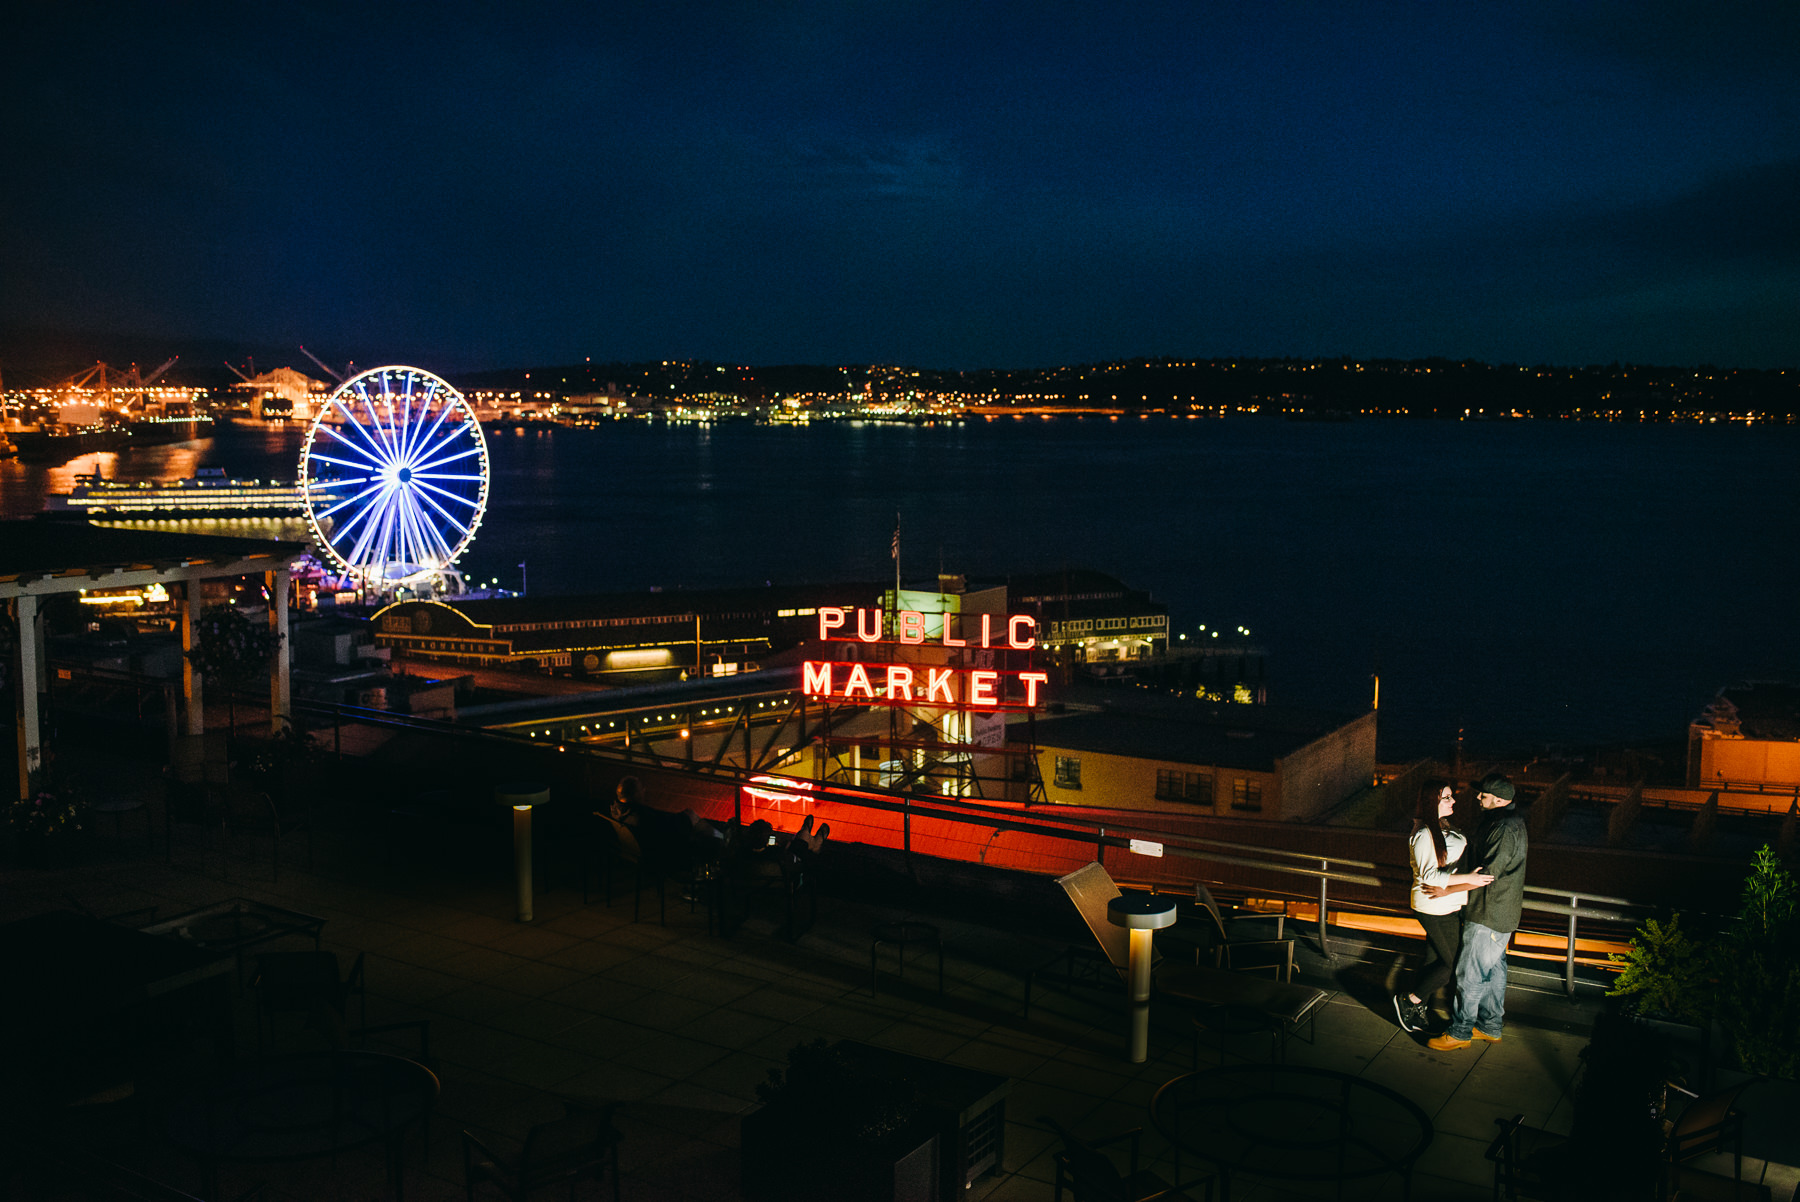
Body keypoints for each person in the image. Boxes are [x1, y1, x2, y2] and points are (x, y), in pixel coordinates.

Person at [1429, 773, 1528, 1051]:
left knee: (1470, 974)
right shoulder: (1510, 821)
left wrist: (1446, 889)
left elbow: (1487, 875)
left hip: (1488, 913)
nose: (1477, 797)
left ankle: (1460, 1032)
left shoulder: (1502, 827)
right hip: (1501, 913)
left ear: (1498, 799)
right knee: (1494, 972)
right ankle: (1490, 1026)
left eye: (1482, 794)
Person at [1394, 781, 1493, 1033]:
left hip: (1446, 904)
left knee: (1435, 959)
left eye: (1451, 797)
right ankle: (1410, 1001)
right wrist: (1469, 879)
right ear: (1432, 802)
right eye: (1446, 798)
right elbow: (1429, 877)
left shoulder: (1443, 827)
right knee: (1452, 963)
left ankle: (1418, 1008)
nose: (1453, 801)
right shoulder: (1424, 834)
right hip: (1434, 906)